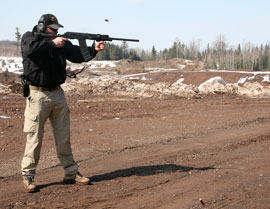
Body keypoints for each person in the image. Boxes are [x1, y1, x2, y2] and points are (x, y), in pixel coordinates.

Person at [20, 13, 106, 193]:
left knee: (63, 137)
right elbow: (31, 50)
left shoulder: (61, 43)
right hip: (37, 95)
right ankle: (28, 176)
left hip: (57, 94)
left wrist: (94, 48)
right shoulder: (29, 37)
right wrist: (52, 43)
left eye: (57, 30)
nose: (55, 33)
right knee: (34, 138)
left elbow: (78, 55)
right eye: (53, 30)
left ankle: (71, 173)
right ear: (42, 27)